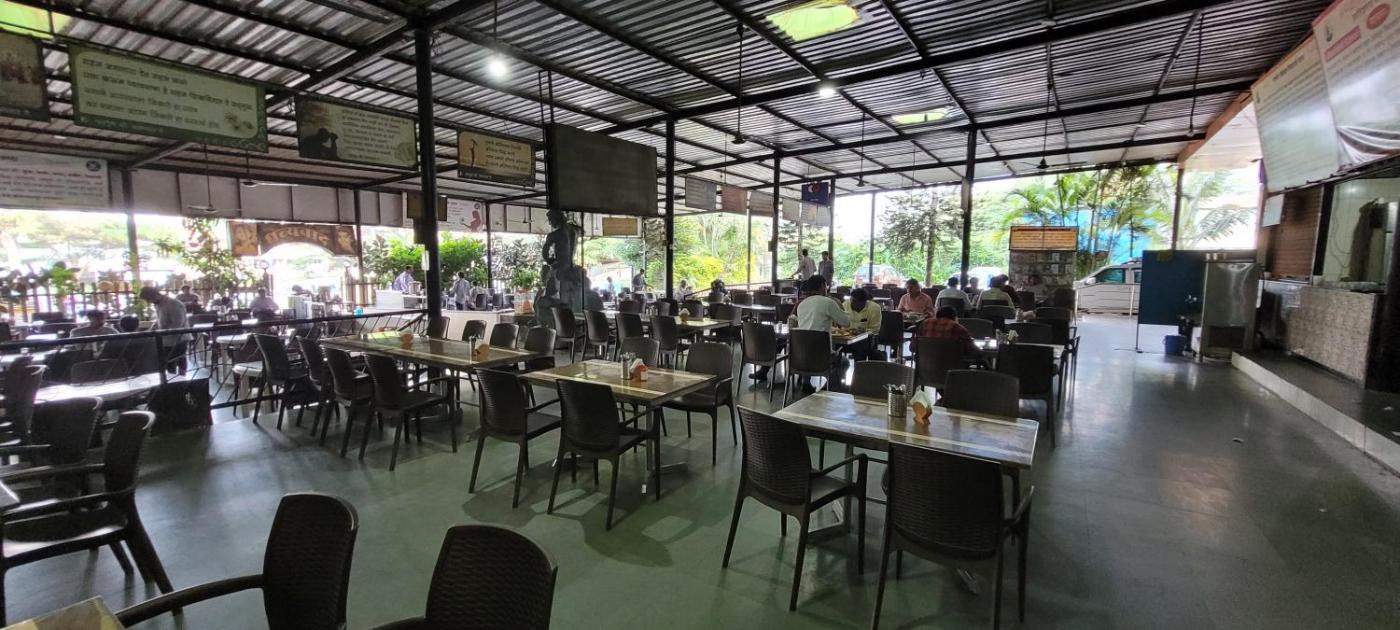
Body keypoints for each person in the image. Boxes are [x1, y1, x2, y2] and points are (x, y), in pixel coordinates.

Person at [792, 275, 849, 393]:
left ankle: (806, 383)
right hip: (822, 357)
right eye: (826, 285)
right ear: (823, 286)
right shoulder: (828, 302)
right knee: (844, 362)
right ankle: (828, 390)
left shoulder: (802, 304)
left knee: (809, 346)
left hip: (800, 355)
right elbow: (846, 322)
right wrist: (839, 307)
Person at [139, 286, 188, 373]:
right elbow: (159, 321)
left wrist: (162, 333)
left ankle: (182, 379)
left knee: (180, 360)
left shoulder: (173, 304)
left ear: (153, 295)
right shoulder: (158, 304)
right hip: (166, 339)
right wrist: (150, 331)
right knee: (169, 363)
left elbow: (178, 324)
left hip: (179, 338)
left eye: (148, 299)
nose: (148, 302)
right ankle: (172, 379)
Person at [916, 306, 980, 359]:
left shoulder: (925, 323)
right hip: (952, 366)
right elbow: (971, 349)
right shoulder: (958, 328)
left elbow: (914, 347)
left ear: (937, 314)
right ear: (954, 316)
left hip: (926, 365)